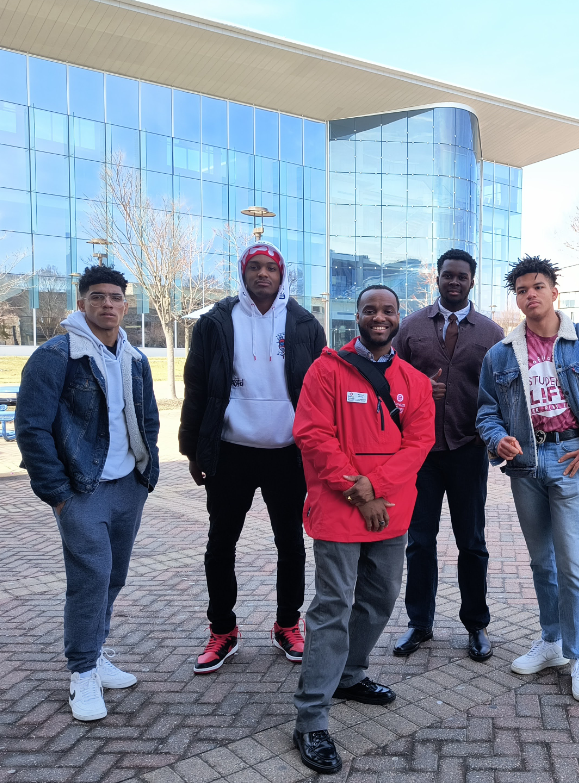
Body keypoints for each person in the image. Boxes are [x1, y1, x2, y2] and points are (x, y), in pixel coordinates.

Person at [476, 256, 579, 704]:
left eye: (539, 286)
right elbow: (486, 410)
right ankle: (551, 642)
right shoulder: (501, 354)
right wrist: (497, 439)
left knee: (571, 562)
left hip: (571, 458)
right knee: (541, 562)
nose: (531, 295)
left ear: (554, 292)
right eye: (523, 290)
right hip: (526, 464)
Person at [291, 285, 435, 774]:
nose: (379, 317)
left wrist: (375, 487)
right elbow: (312, 434)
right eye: (370, 309)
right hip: (338, 507)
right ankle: (311, 718)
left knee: (380, 598)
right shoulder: (326, 369)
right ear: (356, 316)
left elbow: (418, 445)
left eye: (388, 310)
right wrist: (359, 490)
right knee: (333, 607)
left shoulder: (413, 381)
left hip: (390, 506)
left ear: (399, 318)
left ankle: (350, 675)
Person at [15, 265, 160, 721]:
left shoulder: (135, 357)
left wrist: (146, 474)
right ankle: (81, 672)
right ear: (81, 303)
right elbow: (31, 428)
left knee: (113, 578)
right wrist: (57, 492)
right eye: (97, 297)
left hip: (127, 487)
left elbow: (149, 420)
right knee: (90, 580)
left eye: (116, 297)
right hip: (81, 489)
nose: (108, 304)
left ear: (126, 303)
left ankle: (96, 653)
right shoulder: (56, 355)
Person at [179, 243, 326, 673]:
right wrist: (192, 448)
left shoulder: (303, 323)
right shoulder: (215, 322)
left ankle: (286, 624)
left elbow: (319, 394)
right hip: (231, 451)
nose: (263, 274)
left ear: (282, 276)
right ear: (243, 273)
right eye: (255, 267)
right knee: (221, 544)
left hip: (287, 453)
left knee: (291, 544)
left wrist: (318, 451)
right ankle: (222, 630)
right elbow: (197, 388)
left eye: (271, 268)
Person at [393, 249, 504, 661]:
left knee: (472, 543)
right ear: (436, 279)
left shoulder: (491, 333)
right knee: (419, 542)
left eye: (461, 277)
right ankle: (419, 623)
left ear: (472, 281)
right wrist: (418, 391)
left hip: (467, 450)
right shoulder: (411, 327)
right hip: (420, 454)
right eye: (447, 276)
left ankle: (476, 625)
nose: (454, 282)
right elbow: (391, 385)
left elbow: (503, 391)